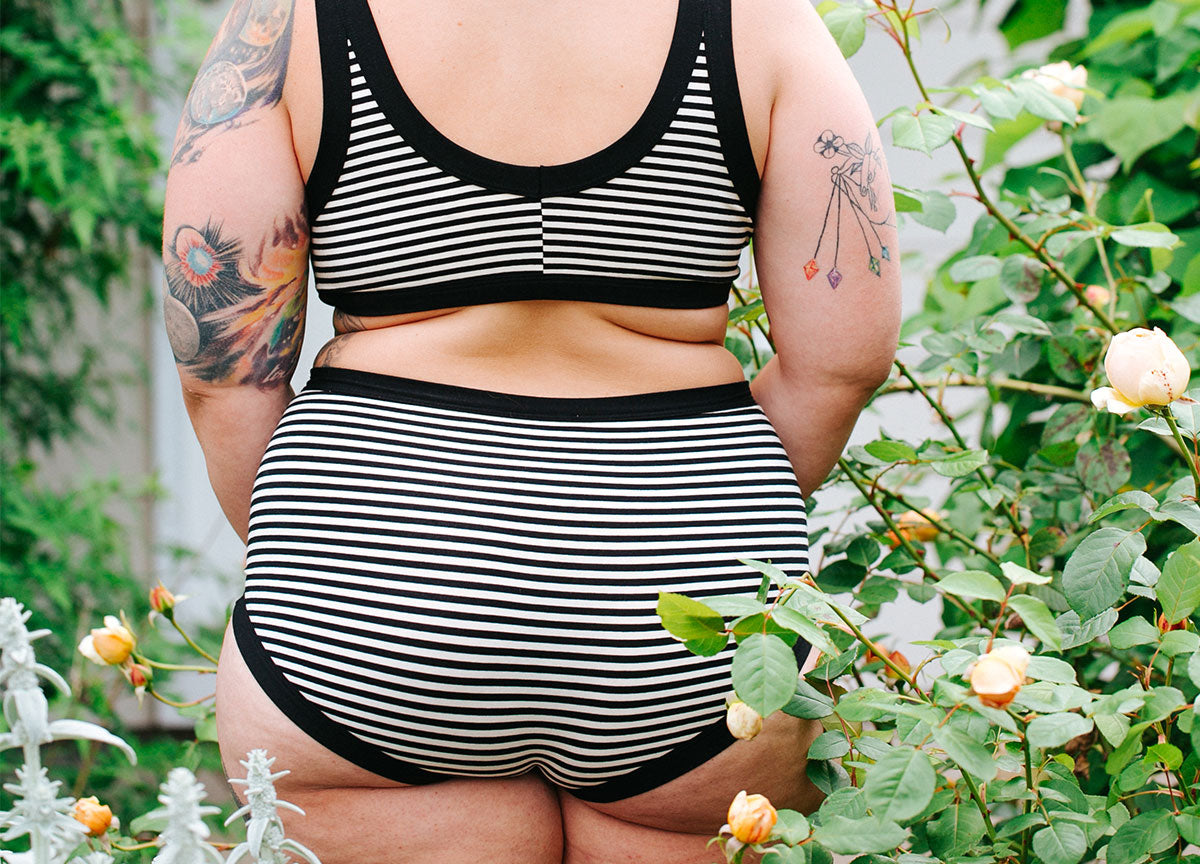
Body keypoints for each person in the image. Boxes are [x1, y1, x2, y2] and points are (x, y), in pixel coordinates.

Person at [162, 0, 901, 860]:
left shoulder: (287, 23)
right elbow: (842, 359)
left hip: (375, 588)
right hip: (690, 608)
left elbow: (223, 373)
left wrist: (337, 557)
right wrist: (710, 516)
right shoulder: (762, 21)